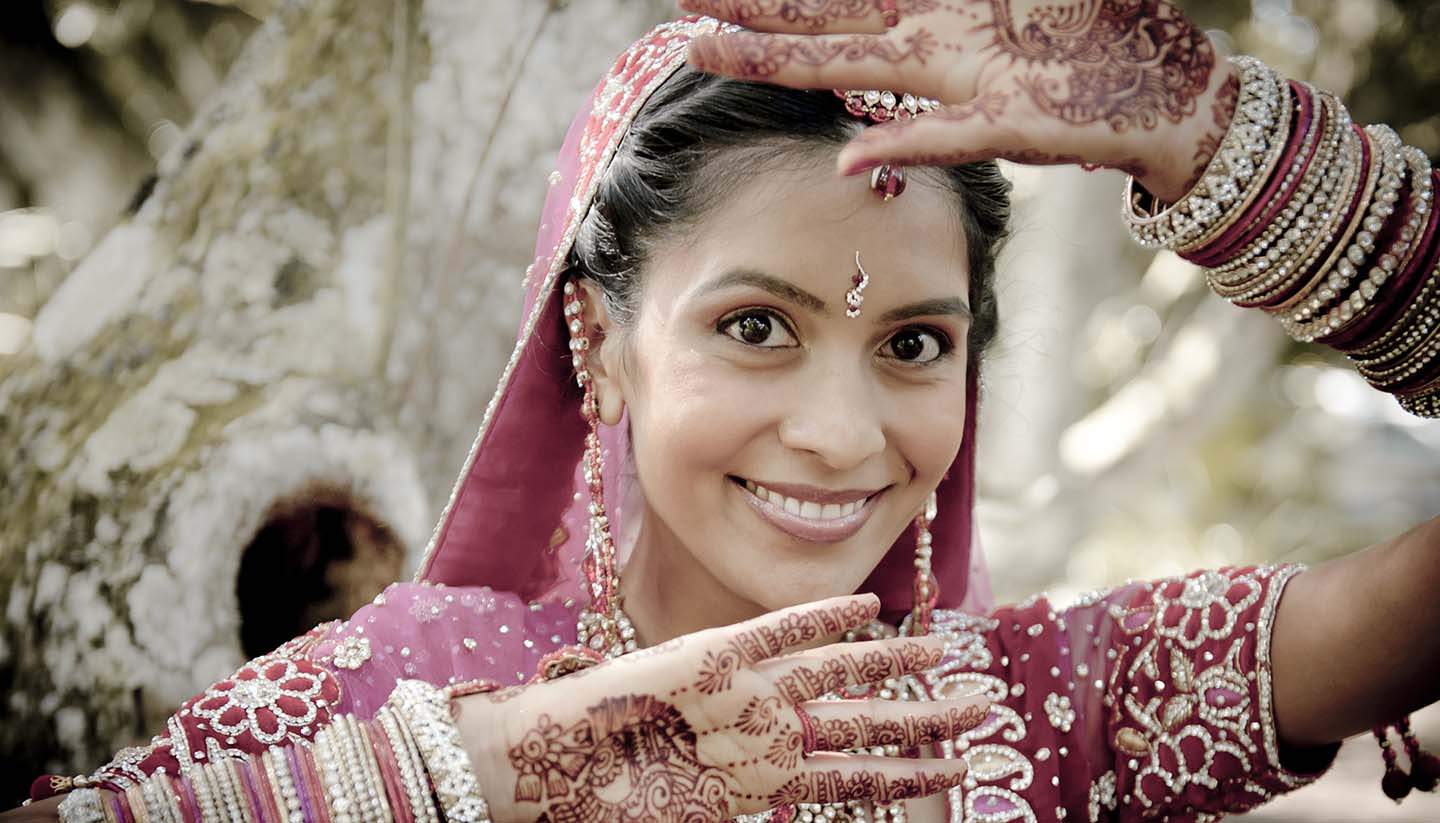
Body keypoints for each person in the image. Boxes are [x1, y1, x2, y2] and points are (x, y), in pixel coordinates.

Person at [14, 3, 1440, 822]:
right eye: (755, 328)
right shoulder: (400, 690)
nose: (838, 431)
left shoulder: (1022, 720)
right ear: (602, 345)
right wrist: (505, 770)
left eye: (913, 342)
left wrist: (1204, 129)